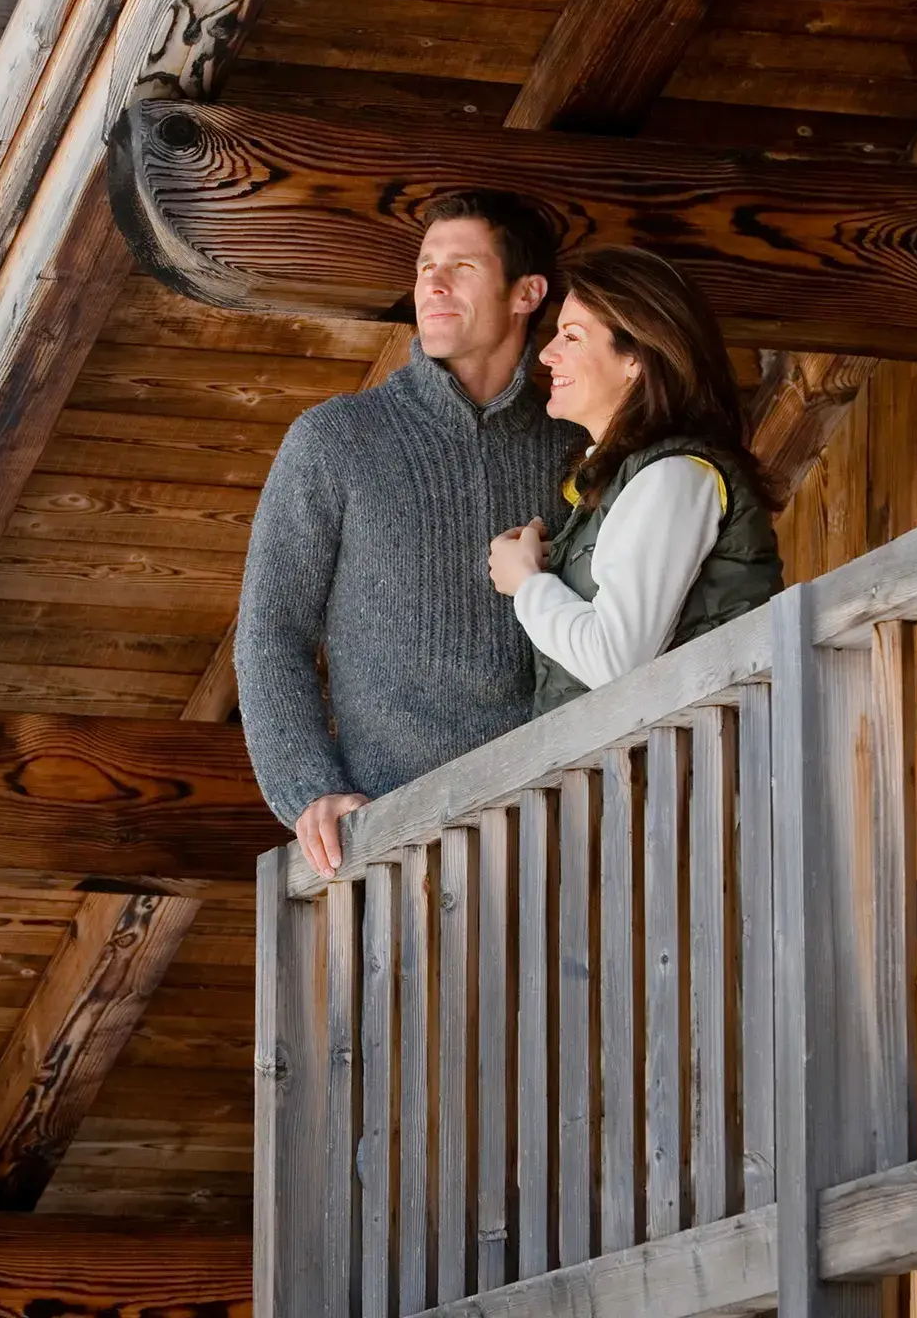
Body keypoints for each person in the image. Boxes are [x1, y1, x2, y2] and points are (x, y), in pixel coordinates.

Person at [237, 190, 582, 879]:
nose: (432, 282)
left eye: (462, 266)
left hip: (558, 833)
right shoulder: (336, 441)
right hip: (389, 848)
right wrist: (311, 791)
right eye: (425, 265)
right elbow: (270, 632)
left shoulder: (578, 443)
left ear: (527, 293)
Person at [488, 245, 783, 714]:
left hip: (689, 773)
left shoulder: (674, 477)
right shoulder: (634, 478)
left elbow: (616, 662)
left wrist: (527, 584)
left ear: (635, 359)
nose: (547, 353)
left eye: (573, 336)